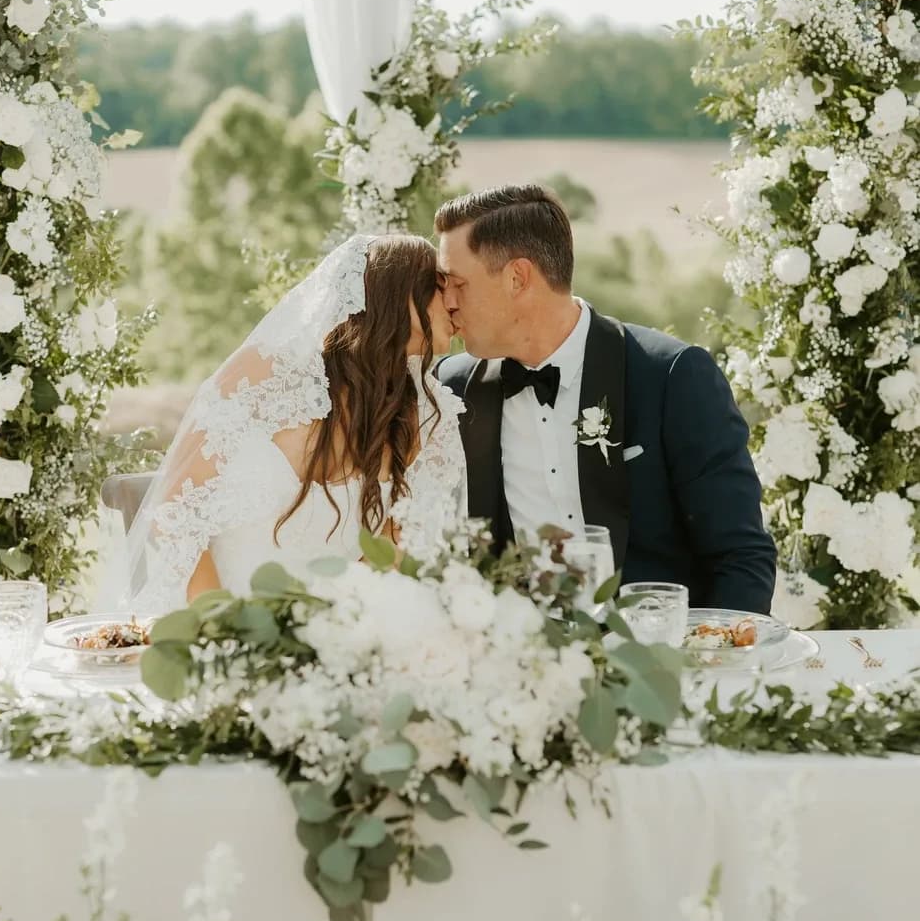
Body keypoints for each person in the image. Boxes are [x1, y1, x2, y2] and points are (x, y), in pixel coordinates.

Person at [435, 185, 777, 613]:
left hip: (658, 662)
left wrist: (709, 668)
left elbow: (740, 557)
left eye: (457, 283)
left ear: (518, 278)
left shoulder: (671, 376)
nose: (446, 301)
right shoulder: (451, 389)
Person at [120, 234, 466, 612]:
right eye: (439, 286)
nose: (454, 303)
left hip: (330, 643)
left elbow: (390, 555)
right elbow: (176, 511)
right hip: (210, 626)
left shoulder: (424, 414)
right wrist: (219, 632)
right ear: (394, 292)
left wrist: (329, 636)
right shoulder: (264, 375)